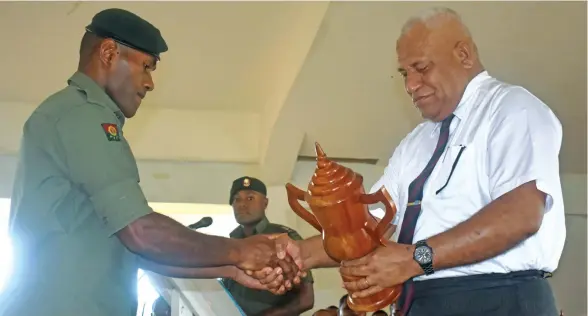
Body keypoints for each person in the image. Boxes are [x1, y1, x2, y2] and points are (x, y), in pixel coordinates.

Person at [260, 6, 565, 316]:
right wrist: (300, 254)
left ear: (463, 55)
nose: (410, 85)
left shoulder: (513, 110)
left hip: (497, 300)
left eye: (421, 68)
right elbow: (371, 224)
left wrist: (414, 258)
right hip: (419, 301)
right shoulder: (416, 143)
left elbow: (521, 214)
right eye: (405, 73)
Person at [1, 8, 296, 316]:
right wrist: (240, 250)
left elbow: (135, 251)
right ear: (108, 52)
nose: (150, 82)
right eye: (146, 66)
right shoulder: (81, 116)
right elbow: (141, 233)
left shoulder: (81, 117)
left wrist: (232, 266)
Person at [221, 176, 315, 316]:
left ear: (265, 203)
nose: (242, 204)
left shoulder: (283, 238)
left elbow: (306, 299)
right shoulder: (231, 244)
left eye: (250, 198)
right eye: (237, 199)